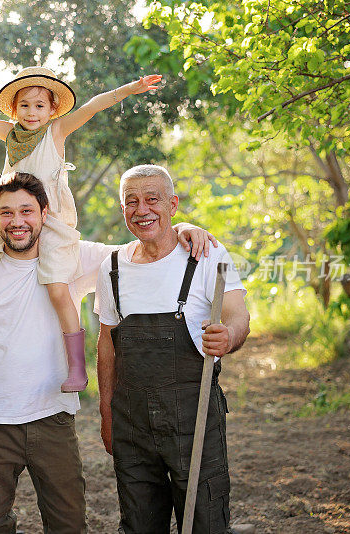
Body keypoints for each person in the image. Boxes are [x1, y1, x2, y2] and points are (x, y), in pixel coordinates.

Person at [0, 171, 216, 533]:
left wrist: (183, 228)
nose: (18, 222)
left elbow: (140, 247)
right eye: (6, 213)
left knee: (68, 523)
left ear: (44, 213)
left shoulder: (73, 257)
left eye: (27, 211)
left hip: (52, 415)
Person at [0, 66, 162, 393]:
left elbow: (94, 106)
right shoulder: (9, 134)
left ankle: (78, 368)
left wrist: (128, 88)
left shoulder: (56, 132)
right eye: (24, 105)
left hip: (49, 223)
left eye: (40, 105)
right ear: (14, 109)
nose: (32, 112)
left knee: (57, 288)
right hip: (11, 220)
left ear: (52, 109)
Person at [95, 164, 252, 534]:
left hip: (194, 419)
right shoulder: (112, 267)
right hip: (132, 424)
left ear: (173, 204)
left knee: (205, 522)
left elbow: (238, 315)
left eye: (153, 199)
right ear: (123, 211)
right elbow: (107, 344)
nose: (142, 209)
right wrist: (106, 414)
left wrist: (228, 336)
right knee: (138, 523)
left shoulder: (207, 254)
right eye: (131, 201)